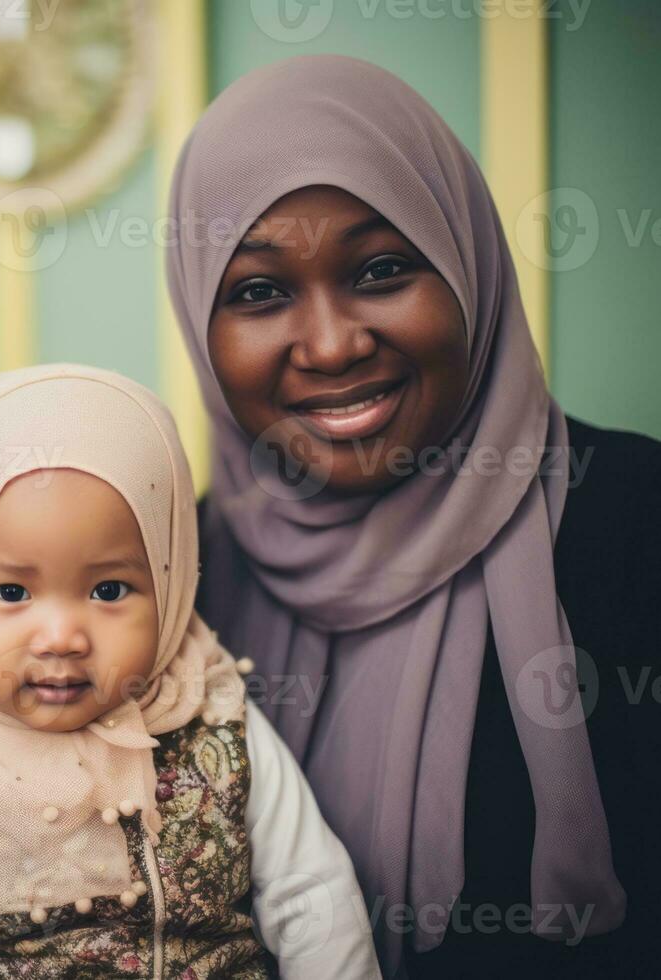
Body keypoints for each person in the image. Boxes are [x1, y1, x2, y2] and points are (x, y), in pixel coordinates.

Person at [166, 54, 661, 978]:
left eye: (384, 269)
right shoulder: (160, 591)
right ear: (199, 319)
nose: (332, 343)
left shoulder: (636, 522)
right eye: (260, 291)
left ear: (467, 260)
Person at [0, 363, 381, 979]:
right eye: (9, 591)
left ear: (168, 575)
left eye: (109, 589)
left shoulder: (218, 720)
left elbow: (314, 901)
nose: (61, 638)